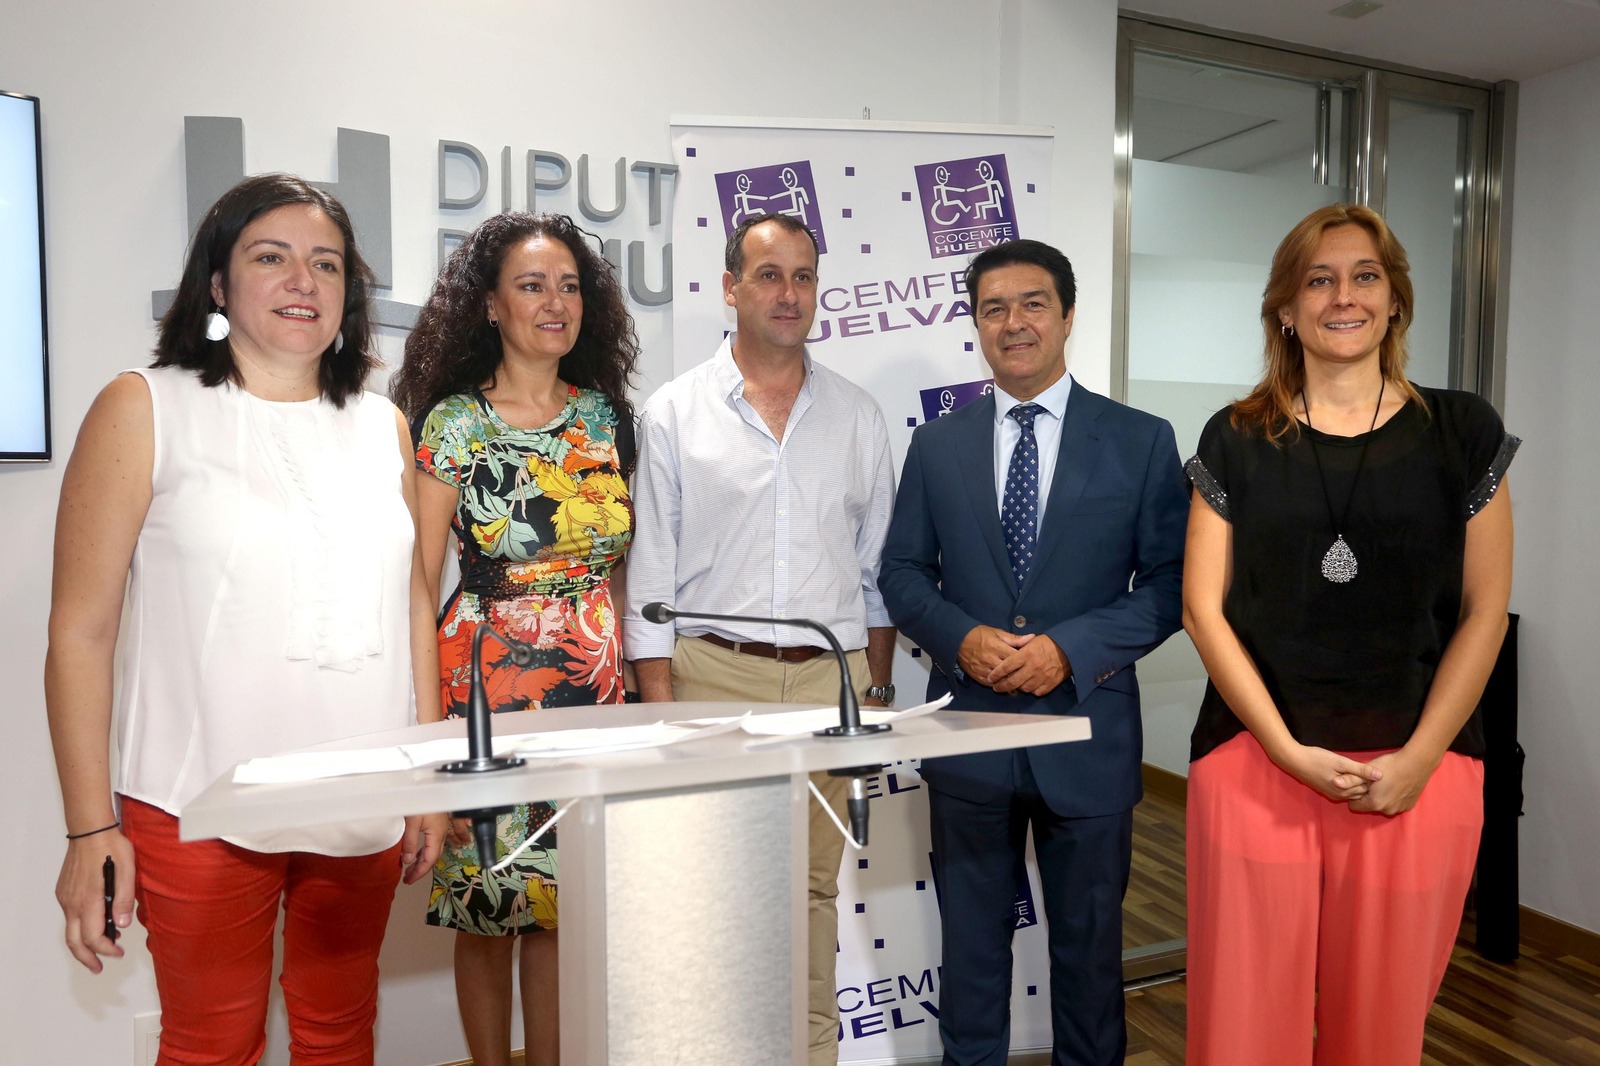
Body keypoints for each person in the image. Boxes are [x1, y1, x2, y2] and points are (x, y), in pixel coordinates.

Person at [45, 173, 446, 1066]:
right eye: (272, 257)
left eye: (327, 264)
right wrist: (88, 828)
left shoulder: (382, 424)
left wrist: (425, 771)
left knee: (341, 1033)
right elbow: (79, 633)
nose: (304, 281)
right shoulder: (144, 406)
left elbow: (413, 598)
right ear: (218, 284)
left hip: (362, 797)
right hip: (197, 800)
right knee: (211, 1045)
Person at [1181, 204, 1516, 1065]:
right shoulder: (1236, 435)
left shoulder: (1463, 431)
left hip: (1418, 773)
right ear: (1286, 309)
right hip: (1256, 762)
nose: (1344, 297)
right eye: (1318, 280)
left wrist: (1419, 759)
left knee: (1380, 1035)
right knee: (1244, 1034)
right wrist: (1285, 749)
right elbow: (1202, 610)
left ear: (1395, 300)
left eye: (1366, 276)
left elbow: (1484, 611)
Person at [879, 239, 1188, 1066]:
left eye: (1033, 303)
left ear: (1068, 315)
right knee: (971, 956)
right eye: (994, 309)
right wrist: (960, 638)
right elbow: (901, 573)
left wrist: (1070, 649)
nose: (1013, 323)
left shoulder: (1141, 440)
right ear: (976, 324)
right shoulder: (936, 445)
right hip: (969, 738)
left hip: (1088, 734)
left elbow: (1171, 585)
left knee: (1089, 958)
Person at [622, 212, 897, 1066]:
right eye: (769, 275)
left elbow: (877, 573)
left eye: (804, 276)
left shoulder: (858, 415)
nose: (789, 294)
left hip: (828, 686)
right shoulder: (674, 412)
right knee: (708, 897)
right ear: (730, 287)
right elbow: (650, 575)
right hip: (712, 678)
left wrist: (874, 691)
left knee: (811, 893)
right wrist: (662, 708)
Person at [391, 212, 639, 1066]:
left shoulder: (605, 417)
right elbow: (418, 580)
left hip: (592, 690)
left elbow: (618, 568)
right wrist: (429, 729)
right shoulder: (453, 424)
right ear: (492, 306)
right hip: (487, 691)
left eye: (569, 286)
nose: (554, 302)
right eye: (532, 286)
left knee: (564, 909)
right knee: (491, 906)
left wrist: (628, 688)